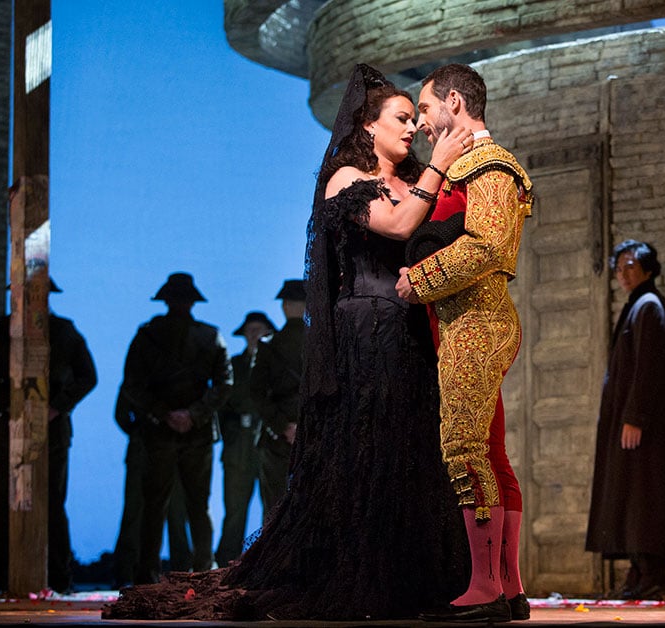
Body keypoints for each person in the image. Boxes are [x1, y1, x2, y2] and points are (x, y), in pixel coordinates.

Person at [103, 64, 473, 621]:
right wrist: (440, 167)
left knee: (411, 450)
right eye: (401, 117)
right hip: (366, 333)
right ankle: (359, 571)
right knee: (367, 451)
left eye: (413, 119)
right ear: (368, 127)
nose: (412, 128)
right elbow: (397, 229)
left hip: (411, 333)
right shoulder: (347, 179)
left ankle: (413, 576)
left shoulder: (416, 177)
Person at [395, 63, 534, 623]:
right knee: (490, 452)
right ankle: (509, 587)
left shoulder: (490, 163)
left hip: (475, 322)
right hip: (468, 319)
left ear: (455, 100)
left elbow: (488, 247)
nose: (422, 123)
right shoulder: (469, 165)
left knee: (465, 449)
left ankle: (485, 589)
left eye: (425, 109)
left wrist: (417, 280)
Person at [585, 240, 665, 599]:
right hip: (631, 421)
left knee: (646, 496)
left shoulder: (649, 306)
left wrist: (635, 417)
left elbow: (649, 368)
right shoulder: (638, 306)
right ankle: (639, 571)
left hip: (645, 425)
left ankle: (654, 573)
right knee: (631, 496)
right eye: (619, 268)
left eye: (631, 266)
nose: (623, 273)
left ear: (648, 269)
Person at [0, 279, 97, 594]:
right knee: (5, 505)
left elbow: (88, 376)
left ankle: (57, 578)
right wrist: (11, 405)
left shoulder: (63, 332)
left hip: (50, 431)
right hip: (10, 428)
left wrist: (55, 407)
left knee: (51, 503)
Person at [119, 272, 232, 584]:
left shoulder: (148, 335)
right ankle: (203, 572)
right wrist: (192, 415)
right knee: (197, 505)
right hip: (192, 433)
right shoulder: (211, 336)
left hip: (161, 432)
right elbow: (225, 384)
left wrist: (166, 414)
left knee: (156, 506)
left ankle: (147, 576)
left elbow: (132, 385)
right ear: (193, 302)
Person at [214, 311, 275, 567]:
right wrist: (230, 435)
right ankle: (227, 561)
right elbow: (221, 404)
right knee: (235, 509)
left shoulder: (276, 364)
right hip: (238, 446)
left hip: (269, 444)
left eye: (259, 330)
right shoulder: (234, 365)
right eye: (250, 330)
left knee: (272, 508)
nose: (254, 335)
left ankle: (268, 562)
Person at [113, 393, 193, 586]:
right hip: (157, 448)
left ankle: (131, 572)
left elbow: (121, 413)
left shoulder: (142, 375)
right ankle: (179, 571)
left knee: (160, 512)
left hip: (153, 448)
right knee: (149, 512)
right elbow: (121, 413)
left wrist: (140, 431)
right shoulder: (158, 377)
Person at [249, 282, 304, 515]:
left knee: (273, 510)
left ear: (285, 306)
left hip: (276, 438)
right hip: (313, 434)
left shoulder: (268, 346)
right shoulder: (322, 342)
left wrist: (282, 426)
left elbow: (256, 393)